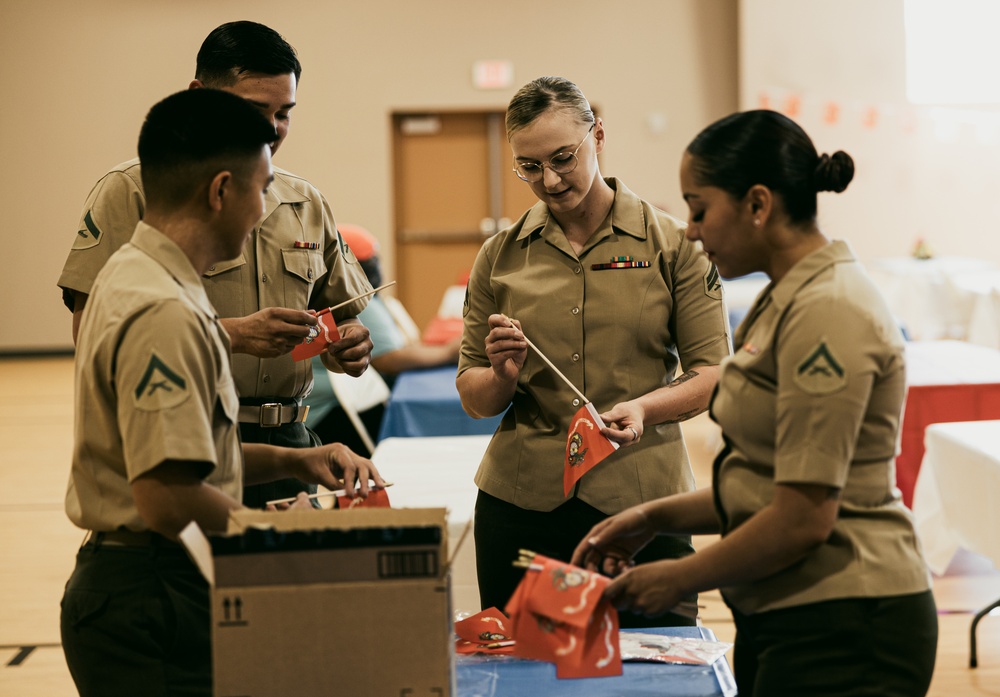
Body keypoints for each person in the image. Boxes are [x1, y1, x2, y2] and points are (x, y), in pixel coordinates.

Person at [571, 110, 938, 696]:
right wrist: (651, 517)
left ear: (758, 204)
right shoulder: (783, 300)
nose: (690, 230)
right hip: (791, 611)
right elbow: (765, 482)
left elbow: (801, 517)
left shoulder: (829, 310)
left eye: (699, 209)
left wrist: (678, 577)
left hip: (849, 619)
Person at [60, 88, 385, 697]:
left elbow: (190, 456)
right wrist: (282, 547)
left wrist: (299, 459)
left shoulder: (140, 277)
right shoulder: (163, 309)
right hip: (150, 592)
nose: (266, 208)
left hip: (150, 580)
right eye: (260, 190)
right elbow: (166, 496)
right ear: (219, 191)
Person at [57, 21, 374, 509]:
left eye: (283, 113)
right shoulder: (136, 191)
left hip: (284, 439)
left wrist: (344, 344)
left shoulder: (304, 199)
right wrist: (234, 334)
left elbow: (342, 312)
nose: (270, 130)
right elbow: (100, 337)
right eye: (253, 111)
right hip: (186, 432)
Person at [456, 76, 731, 628]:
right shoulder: (501, 256)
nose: (550, 181)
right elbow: (475, 396)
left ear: (598, 136)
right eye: (529, 167)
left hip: (642, 503)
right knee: (523, 675)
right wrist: (504, 374)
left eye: (563, 158)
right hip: (524, 504)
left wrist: (645, 408)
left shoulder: (673, 245)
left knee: (658, 674)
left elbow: (713, 374)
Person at [305, 223, 461, 451]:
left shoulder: (368, 299)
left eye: (374, 260)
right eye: (367, 263)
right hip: (330, 412)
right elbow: (388, 358)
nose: (376, 269)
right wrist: (448, 352)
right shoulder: (356, 301)